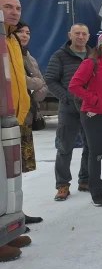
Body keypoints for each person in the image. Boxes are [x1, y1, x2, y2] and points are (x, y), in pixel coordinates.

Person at [69, 32, 102, 207]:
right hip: (93, 114)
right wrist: (93, 100)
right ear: (100, 46)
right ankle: (96, 191)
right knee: (96, 153)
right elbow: (74, 85)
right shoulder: (90, 63)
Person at [0, 0, 32, 262]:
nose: (13, 12)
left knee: (11, 180)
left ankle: (7, 231)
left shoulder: (12, 40)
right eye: (7, 7)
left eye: (17, 8)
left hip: (12, 118)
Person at [45, 23, 93, 201]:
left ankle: (85, 180)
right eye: (77, 33)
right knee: (65, 147)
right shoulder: (60, 55)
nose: (80, 37)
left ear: (88, 36)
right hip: (68, 110)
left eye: (84, 34)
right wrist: (66, 97)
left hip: (89, 109)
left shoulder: (93, 55)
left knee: (90, 146)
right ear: (69, 35)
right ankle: (62, 185)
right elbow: (50, 80)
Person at [14, 21, 46, 224]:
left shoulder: (29, 57)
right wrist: (35, 83)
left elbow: (42, 84)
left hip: (26, 117)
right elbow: (21, 80)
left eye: (27, 32)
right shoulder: (9, 54)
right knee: (7, 169)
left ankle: (17, 212)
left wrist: (34, 92)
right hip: (11, 117)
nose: (25, 35)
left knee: (18, 169)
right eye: (20, 32)